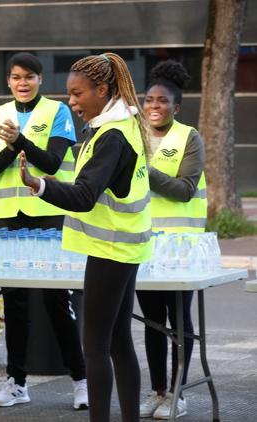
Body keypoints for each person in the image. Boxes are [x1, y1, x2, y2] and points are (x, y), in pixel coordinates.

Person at [20, 52, 153, 422]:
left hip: (112, 247)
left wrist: (39, 185)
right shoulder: (120, 125)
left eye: (78, 94)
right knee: (119, 341)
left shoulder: (112, 135)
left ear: (102, 89)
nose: (71, 102)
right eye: (69, 94)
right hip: (124, 245)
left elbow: (82, 196)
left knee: (94, 345)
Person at [0, 51, 88, 410]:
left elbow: (53, 161)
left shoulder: (57, 111)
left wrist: (20, 141)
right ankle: (16, 383)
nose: (22, 83)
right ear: (7, 82)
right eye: (15, 77)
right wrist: (14, 147)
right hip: (10, 217)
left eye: (29, 76)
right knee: (14, 302)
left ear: (40, 79)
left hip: (51, 213)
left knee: (58, 301)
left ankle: (80, 380)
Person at [136, 60, 206, 420]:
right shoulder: (134, 137)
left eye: (161, 101)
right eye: (148, 100)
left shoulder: (188, 137)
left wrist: (146, 173)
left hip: (180, 247)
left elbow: (185, 189)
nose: (153, 106)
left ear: (176, 107)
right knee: (151, 322)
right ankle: (158, 391)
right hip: (144, 244)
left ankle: (178, 393)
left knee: (178, 320)